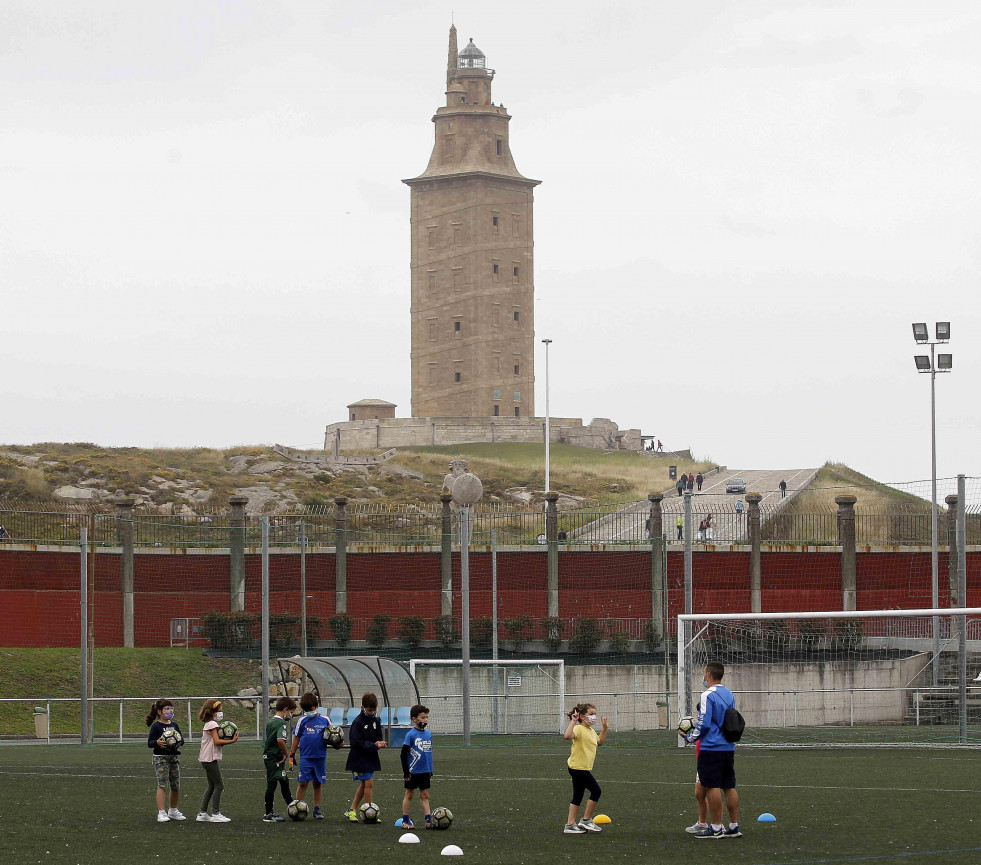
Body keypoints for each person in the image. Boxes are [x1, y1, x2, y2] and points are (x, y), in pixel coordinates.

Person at [684, 662, 741, 839]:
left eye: (704, 674)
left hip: (711, 747)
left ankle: (716, 827)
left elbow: (704, 723)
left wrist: (690, 737)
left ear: (708, 674)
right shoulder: (729, 693)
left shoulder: (707, 695)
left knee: (711, 786)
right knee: (729, 786)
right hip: (728, 746)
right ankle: (733, 826)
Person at [562, 702, 609, 834]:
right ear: (582, 717)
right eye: (591, 714)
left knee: (578, 796)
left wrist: (605, 728)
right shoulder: (578, 729)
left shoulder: (591, 731)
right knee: (596, 791)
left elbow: (599, 742)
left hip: (582, 768)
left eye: (595, 714)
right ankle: (586, 820)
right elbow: (567, 736)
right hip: (578, 768)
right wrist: (574, 721)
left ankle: (570, 825)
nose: (594, 717)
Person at [344, 692, 387, 822]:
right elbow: (355, 742)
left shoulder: (376, 720)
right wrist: (373, 745)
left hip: (370, 757)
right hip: (359, 758)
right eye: (370, 710)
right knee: (369, 782)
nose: (373, 712)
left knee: (364, 785)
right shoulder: (358, 722)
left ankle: (351, 810)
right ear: (363, 707)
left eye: (374, 710)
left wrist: (380, 742)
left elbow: (378, 736)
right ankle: (370, 812)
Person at [290, 692, 331, 820]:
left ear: (316, 706)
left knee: (317, 783)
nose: (309, 711)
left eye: (311, 709)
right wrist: (292, 755)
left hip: (320, 757)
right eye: (306, 709)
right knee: (303, 782)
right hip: (306, 757)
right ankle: (298, 806)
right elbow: (296, 738)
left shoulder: (325, 720)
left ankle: (317, 809)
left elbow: (332, 735)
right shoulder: (302, 720)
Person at [197, 698, 238, 822]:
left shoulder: (208, 723)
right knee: (219, 785)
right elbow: (217, 741)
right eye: (219, 711)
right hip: (209, 759)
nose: (221, 713)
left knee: (211, 786)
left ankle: (202, 813)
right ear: (212, 712)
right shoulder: (213, 724)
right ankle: (215, 814)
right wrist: (232, 741)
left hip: (205, 758)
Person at [146, 698, 186, 823]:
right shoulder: (156, 726)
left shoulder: (174, 725)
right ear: (159, 711)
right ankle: (161, 812)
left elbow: (182, 741)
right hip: (160, 759)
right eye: (166, 709)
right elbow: (150, 743)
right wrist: (157, 742)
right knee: (162, 784)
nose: (170, 711)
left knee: (175, 786)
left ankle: (173, 810)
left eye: (171, 708)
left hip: (173, 758)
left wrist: (177, 741)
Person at [262, 696, 297, 823]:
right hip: (274, 757)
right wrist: (286, 753)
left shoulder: (271, 722)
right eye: (291, 713)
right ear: (286, 710)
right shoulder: (282, 723)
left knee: (284, 781)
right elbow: (280, 740)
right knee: (272, 783)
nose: (290, 716)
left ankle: (292, 807)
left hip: (271, 756)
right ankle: (268, 813)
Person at [400, 704, 434, 830]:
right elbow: (403, 754)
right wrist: (405, 772)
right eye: (422, 717)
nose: (425, 720)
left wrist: (430, 769)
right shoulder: (410, 735)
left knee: (425, 795)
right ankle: (405, 821)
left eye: (426, 717)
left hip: (425, 770)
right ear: (414, 719)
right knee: (409, 794)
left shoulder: (429, 734)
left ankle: (428, 820)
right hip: (413, 771)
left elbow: (429, 753)